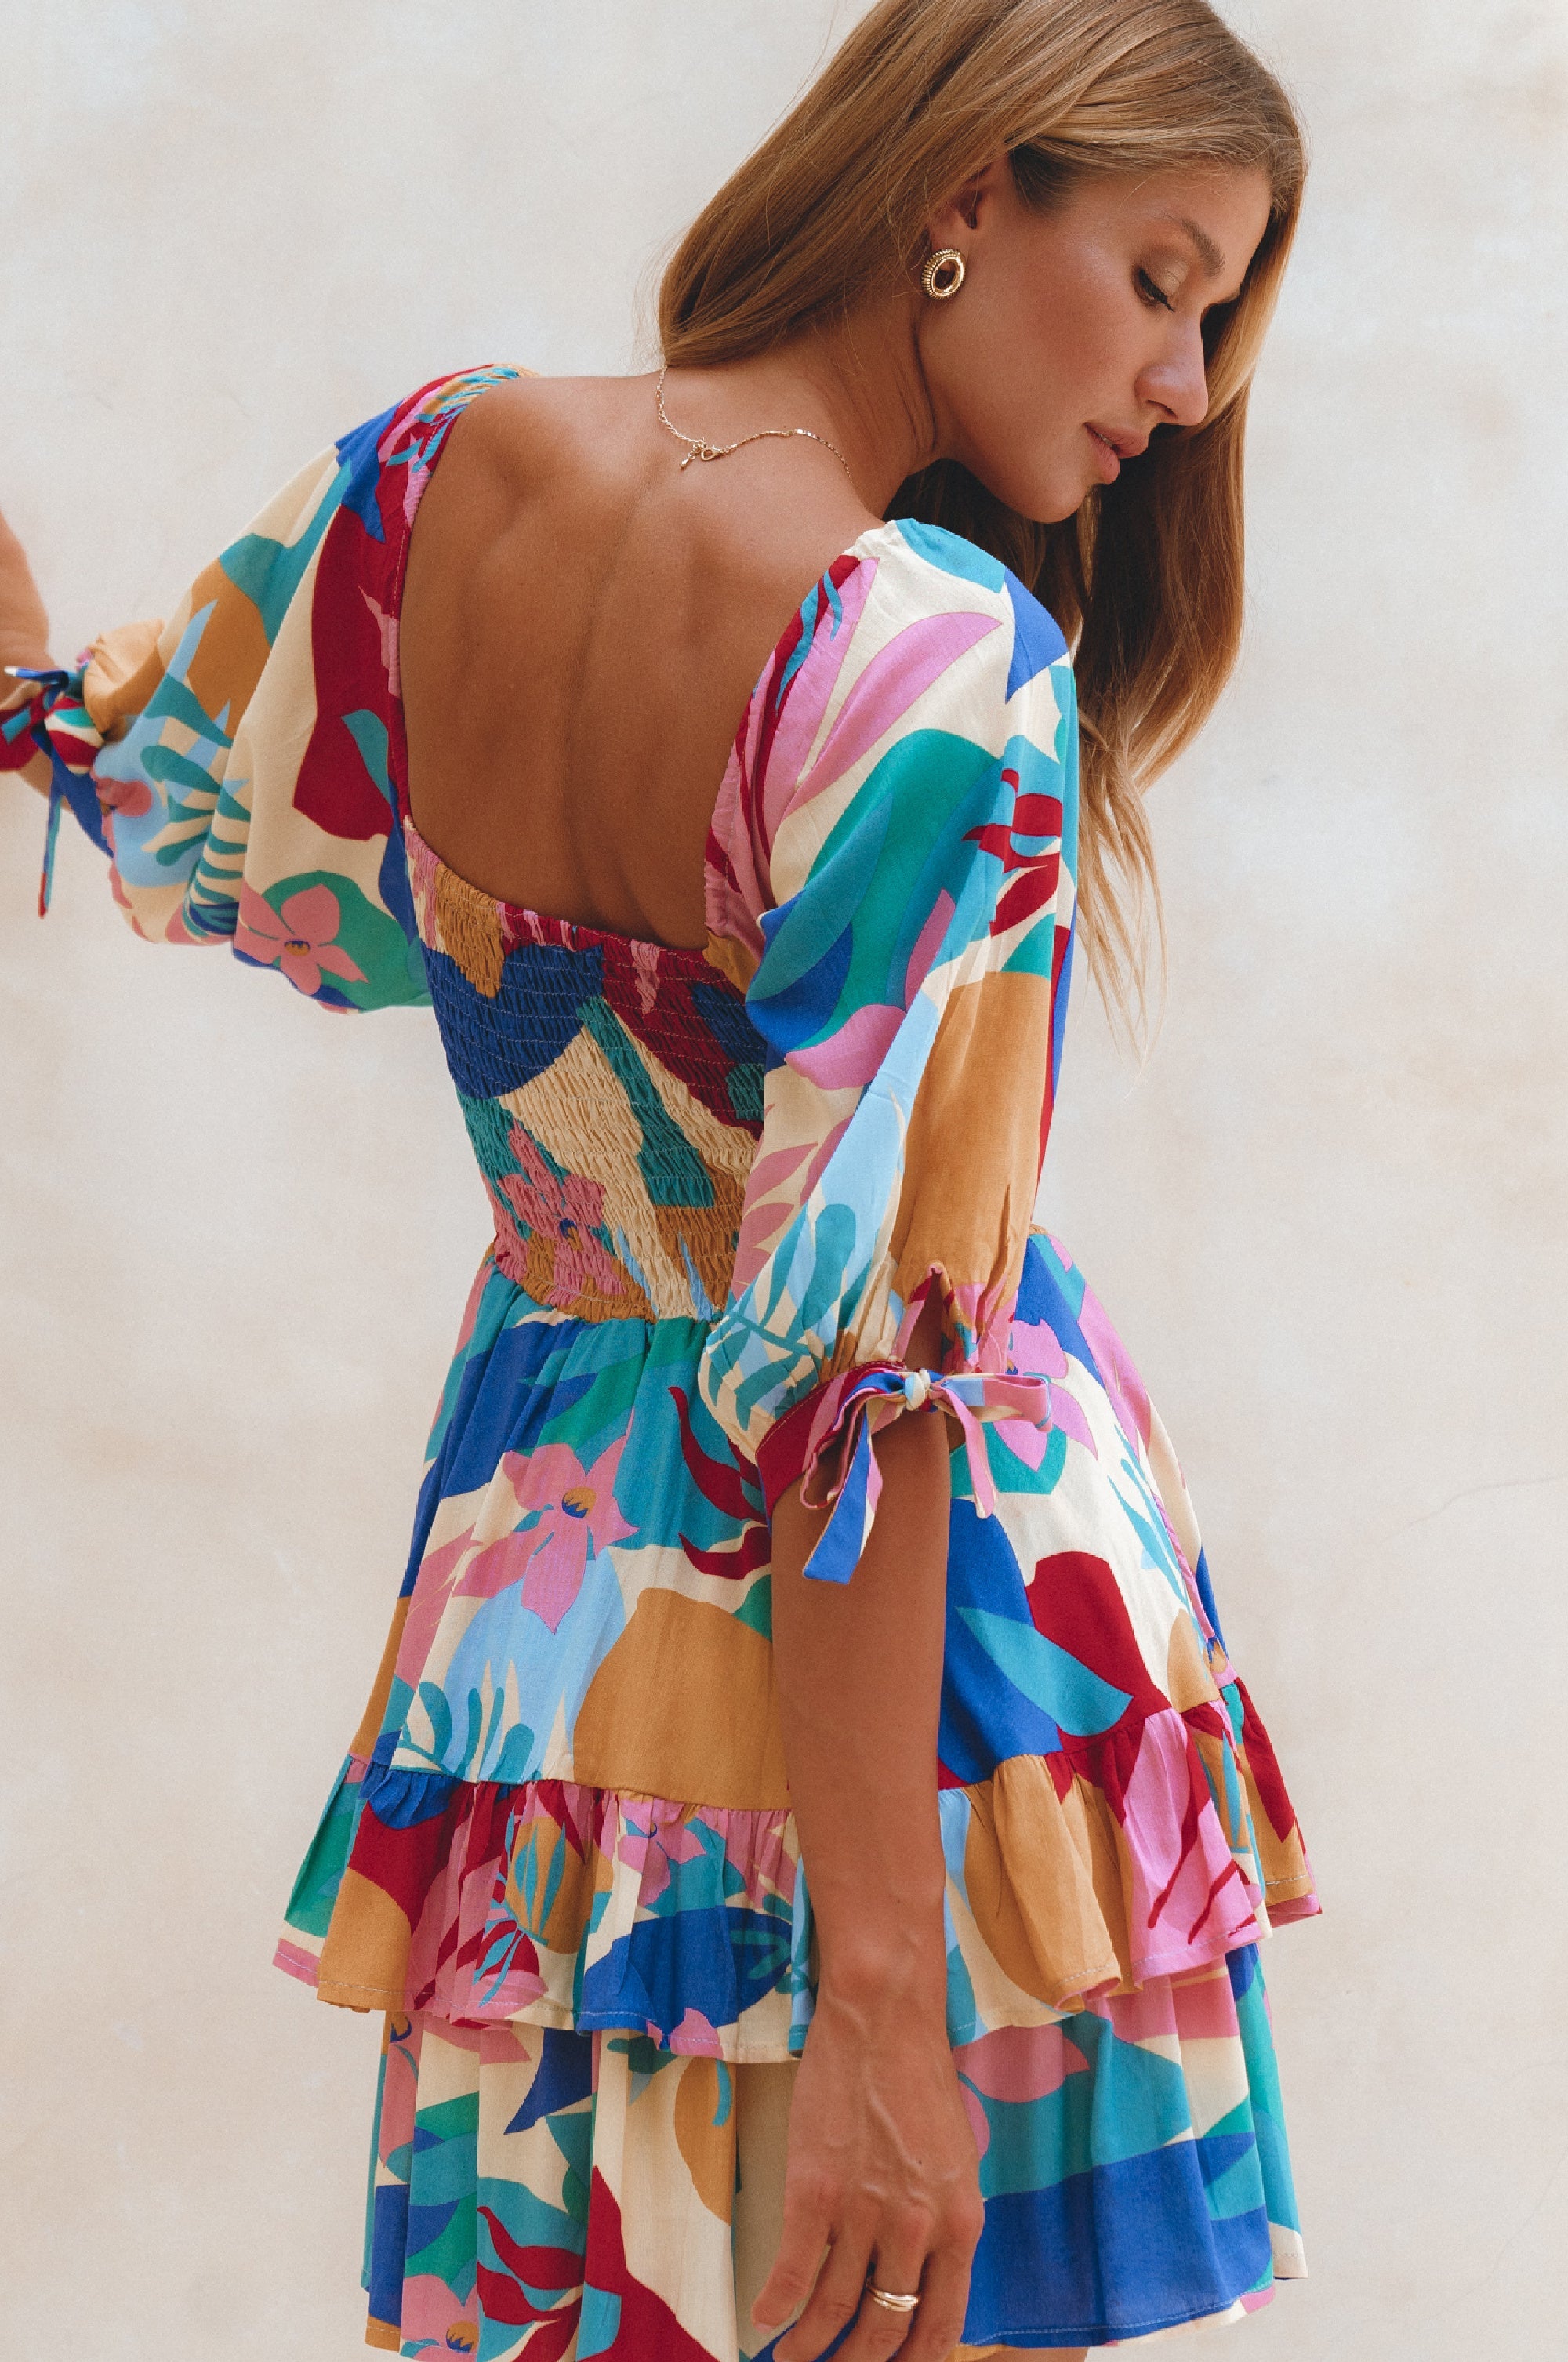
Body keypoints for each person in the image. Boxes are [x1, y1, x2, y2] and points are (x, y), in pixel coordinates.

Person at [0, 1, 1320, 2354]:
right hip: (915, 1712)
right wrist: (884, 2007)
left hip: (543, 1644)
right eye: (1160, 279)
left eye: (1216, 317)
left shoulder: (442, 469)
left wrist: (32, 701)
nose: (1188, 385)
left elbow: (207, 794)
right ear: (962, 195)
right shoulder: (938, 662)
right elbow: (859, 1388)